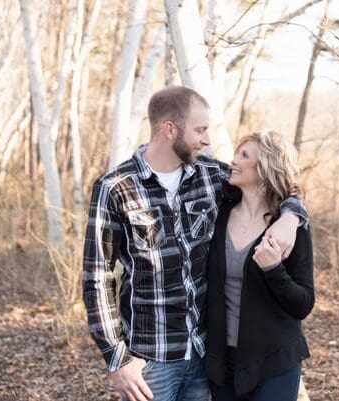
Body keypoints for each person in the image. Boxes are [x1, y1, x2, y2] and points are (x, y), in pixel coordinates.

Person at [82, 86, 307, 401]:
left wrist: (292, 215)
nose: (207, 140)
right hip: (150, 360)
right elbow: (96, 278)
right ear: (170, 129)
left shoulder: (211, 175)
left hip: (206, 358)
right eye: (200, 130)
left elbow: (274, 183)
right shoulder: (115, 188)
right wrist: (116, 357)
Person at [205, 131, 315, 401]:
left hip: (273, 361)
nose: (233, 161)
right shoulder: (219, 212)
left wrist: (274, 269)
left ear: (265, 168)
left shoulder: (289, 227)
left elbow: (304, 303)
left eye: (244, 155)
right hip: (221, 361)